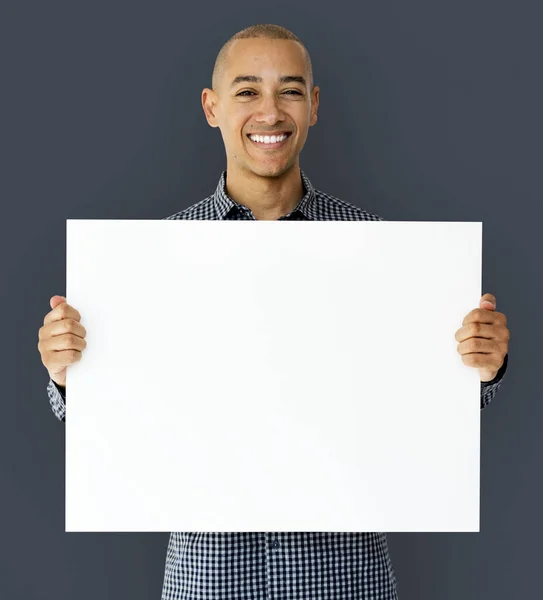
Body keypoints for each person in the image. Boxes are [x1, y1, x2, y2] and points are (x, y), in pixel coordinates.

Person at [37, 23, 510, 600]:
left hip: (346, 579)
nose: (270, 112)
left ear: (313, 107)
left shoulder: (381, 249)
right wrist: (67, 373)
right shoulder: (153, 257)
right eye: (246, 91)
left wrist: (482, 367)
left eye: (289, 90)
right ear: (211, 108)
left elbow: (429, 407)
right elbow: (118, 421)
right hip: (206, 579)